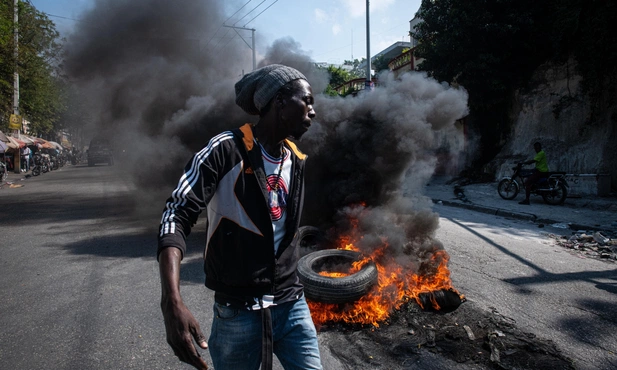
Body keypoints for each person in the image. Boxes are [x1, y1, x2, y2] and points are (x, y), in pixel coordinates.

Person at [157, 64, 321, 370]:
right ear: (280, 103)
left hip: (292, 305)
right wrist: (171, 301)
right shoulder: (225, 150)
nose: (312, 111)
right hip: (238, 313)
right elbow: (176, 215)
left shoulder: (297, 160)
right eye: (307, 101)